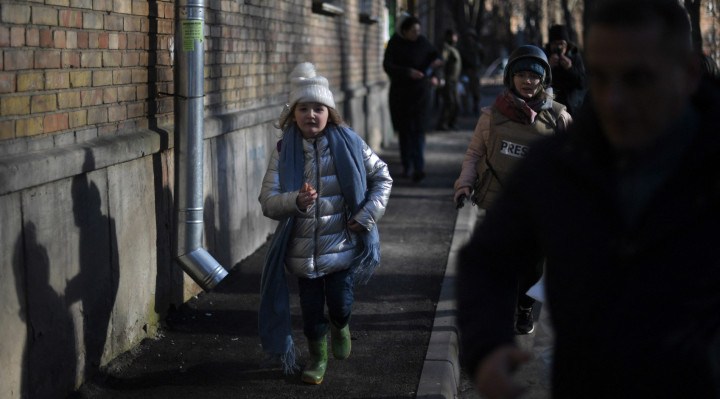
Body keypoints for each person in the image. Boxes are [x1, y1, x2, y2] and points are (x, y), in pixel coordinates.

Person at [456, 0, 720, 398]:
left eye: (636, 78)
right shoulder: (561, 164)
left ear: (686, 72)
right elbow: (486, 261)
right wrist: (487, 347)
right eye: (600, 77)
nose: (612, 99)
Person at [258, 62, 393, 385]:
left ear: (329, 112)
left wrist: (365, 216)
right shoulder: (284, 151)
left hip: (343, 245)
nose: (311, 115)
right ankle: (318, 358)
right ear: (293, 115)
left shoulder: (349, 142)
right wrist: (295, 201)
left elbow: (382, 178)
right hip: (302, 253)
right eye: (303, 109)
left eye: (318, 108)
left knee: (340, 303)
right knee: (310, 312)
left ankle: (342, 323)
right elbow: (268, 200)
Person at [453, 44, 572, 335]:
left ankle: (524, 306)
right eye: (521, 74)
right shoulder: (491, 116)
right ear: (511, 77)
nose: (528, 81)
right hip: (499, 202)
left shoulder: (559, 117)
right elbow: (474, 154)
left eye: (534, 75)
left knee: (532, 265)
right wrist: (464, 184)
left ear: (544, 79)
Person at [383, 14, 442, 182]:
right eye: (413, 31)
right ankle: (407, 165)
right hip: (402, 96)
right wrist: (408, 72)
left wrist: (435, 74)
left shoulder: (423, 42)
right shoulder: (395, 43)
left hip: (421, 96)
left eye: (418, 30)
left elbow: (437, 58)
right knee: (405, 132)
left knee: (419, 132)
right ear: (404, 31)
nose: (416, 34)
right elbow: (388, 66)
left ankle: (419, 167)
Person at [544, 24, 586, 116]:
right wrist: (548, 67)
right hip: (550, 107)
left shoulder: (574, 57)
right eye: (555, 44)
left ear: (567, 44)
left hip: (572, 108)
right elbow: (539, 83)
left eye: (561, 44)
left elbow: (582, 83)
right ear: (550, 45)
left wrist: (570, 68)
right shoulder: (544, 56)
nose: (559, 47)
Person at [436, 29, 462, 131]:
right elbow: (442, 62)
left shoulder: (453, 49)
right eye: (453, 36)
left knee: (456, 103)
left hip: (454, 81)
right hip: (448, 81)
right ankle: (443, 123)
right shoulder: (446, 48)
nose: (455, 38)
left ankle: (451, 123)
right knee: (449, 102)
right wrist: (441, 78)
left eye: (455, 36)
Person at [458, 29, 485, 116]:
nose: (469, 38)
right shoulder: (462, 47)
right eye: (468, 36)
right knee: (465, 92)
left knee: (476, 91)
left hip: (474, 71)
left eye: (471, 36)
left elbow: (482, 56)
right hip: (465, 71)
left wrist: (479, 65)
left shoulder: (477, 46)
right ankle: (465, 109)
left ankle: (475, 107)